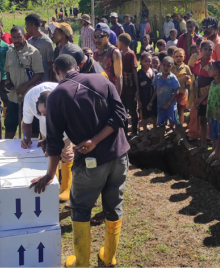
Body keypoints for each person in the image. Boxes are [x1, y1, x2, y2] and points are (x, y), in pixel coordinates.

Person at [30, 54, 129, 267]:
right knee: (114, 206)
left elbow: (55, 143)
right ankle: (109, 257)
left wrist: (49, 175)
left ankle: (81, 262)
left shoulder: (56, 96)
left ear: (57, 72)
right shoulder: (102, 80)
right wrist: (95, 139)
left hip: (92, 163)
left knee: (81, 208)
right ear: (79, 66)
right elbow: (121, 115)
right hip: (120, 155)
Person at [21, 82, 74, 201]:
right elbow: (27, 123)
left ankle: (66, 189)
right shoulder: (29, 99)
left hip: (63, 121)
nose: (44, 115)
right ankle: (52, 182)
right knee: (48, 151)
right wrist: (26, 137)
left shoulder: (63, 96)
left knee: (66, 152)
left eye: (46, 112)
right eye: (41, 113)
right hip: (44, 126)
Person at [3, 25, 44, 139]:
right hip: (13, 97)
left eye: (19, 37)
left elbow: (39, 73)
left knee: (32, 126)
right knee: (10, 126)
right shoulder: (9, 52)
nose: (16, 40)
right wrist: (8, 81)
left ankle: (29, 147)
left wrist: (25, 85)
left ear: (24, 36)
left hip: (30, 97)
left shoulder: (33, 52)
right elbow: (7, 70)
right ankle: (9, 149)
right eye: (14, 37)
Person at [147, 56, 192, 150]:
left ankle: (185, 141)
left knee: (177, 123)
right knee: (162, 124)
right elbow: (155, 90)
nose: (166, 67)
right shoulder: (158, 77)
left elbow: (176, 91)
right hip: (161, 105)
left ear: (172, 66)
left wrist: (169, 103)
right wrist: (151, 102)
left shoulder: (172, 78)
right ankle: (161, 142)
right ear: (161, 65)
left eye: (168, 66)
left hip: (171, 105)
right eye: (164, 65)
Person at [190, 40, 214, 154]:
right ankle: (202, 144)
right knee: (201, 121)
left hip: (209, 97)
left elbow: (213, 85)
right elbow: (195, 81)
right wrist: (195, 98)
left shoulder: (213, 65)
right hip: (198, 96)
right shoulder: (196, 64)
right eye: (205, 49)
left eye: (210, 50)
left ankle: (212, 146)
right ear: (200, 50)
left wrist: (202, 98)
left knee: (211, 121)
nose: (208, 51)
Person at [205, 61, 220, 166]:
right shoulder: (212, 83)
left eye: (210, 69)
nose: (208, 70)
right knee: (213, 135)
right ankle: (215, 151)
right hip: (212, 114)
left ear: (216, 72)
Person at [93, 23, 123, 95]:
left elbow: (119, 78)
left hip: (110, 94)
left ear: (108, 36)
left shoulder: (115, 52)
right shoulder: (95, 52)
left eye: (100, 36)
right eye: (95, 36)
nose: (97, 40)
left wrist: (116, 100)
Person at [118, 33, 139, 136]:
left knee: (132, 110)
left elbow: (134, 72)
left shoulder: (130, 54)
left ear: (122, 42)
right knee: (123, 111)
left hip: (130, 87)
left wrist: (137, 89)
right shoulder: (119, 53)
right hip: (121, 88)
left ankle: (135, 131)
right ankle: (124, 132)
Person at [26, 13, 55, 82]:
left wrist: (49, 81)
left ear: (31, 25)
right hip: (32, 80)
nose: (25, 28)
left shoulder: (46, 41)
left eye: (26, 25)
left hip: (44, 80)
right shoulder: (29, 41)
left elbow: (51, 65)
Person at [138, 52, 158, 136]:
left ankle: (155, 129)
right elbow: (137, 88)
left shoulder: (155, 71)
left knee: (154, 114)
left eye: (149, 61)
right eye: (145, 61)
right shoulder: (139, 73)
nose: (148, 63)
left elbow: (157, 86)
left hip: (154, 96)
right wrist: (138, 100)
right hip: (144, 97)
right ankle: (145, 131)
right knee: (144, 115)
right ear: (141, 61)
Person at [171, 48, 192, 125]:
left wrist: (187, 79)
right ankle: (171, 126)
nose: (178, 58)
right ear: (173, 57)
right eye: (176, 56)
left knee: (180, 111)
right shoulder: (171, 67)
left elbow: (190, 81)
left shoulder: (186, 68)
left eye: (180, 56)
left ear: (184, 57)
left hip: (181, 92)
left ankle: (180, 128)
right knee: (172, 110)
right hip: (172, 93)